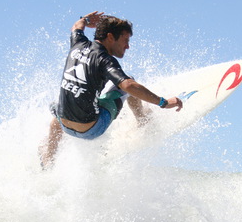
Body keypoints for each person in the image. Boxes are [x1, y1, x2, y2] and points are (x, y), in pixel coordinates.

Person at [39, 11, 183, 168]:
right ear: (110, 37)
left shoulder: (77, 43)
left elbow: (76, 26)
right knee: (130, 82)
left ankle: (49, 157)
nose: (127, 46)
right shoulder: (104, 59)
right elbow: (128, 85)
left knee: (58, 105)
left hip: (64, 124)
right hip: (92, 128)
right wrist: (163, 102)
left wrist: (86, 20)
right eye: (125, 40)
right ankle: (143, 120)